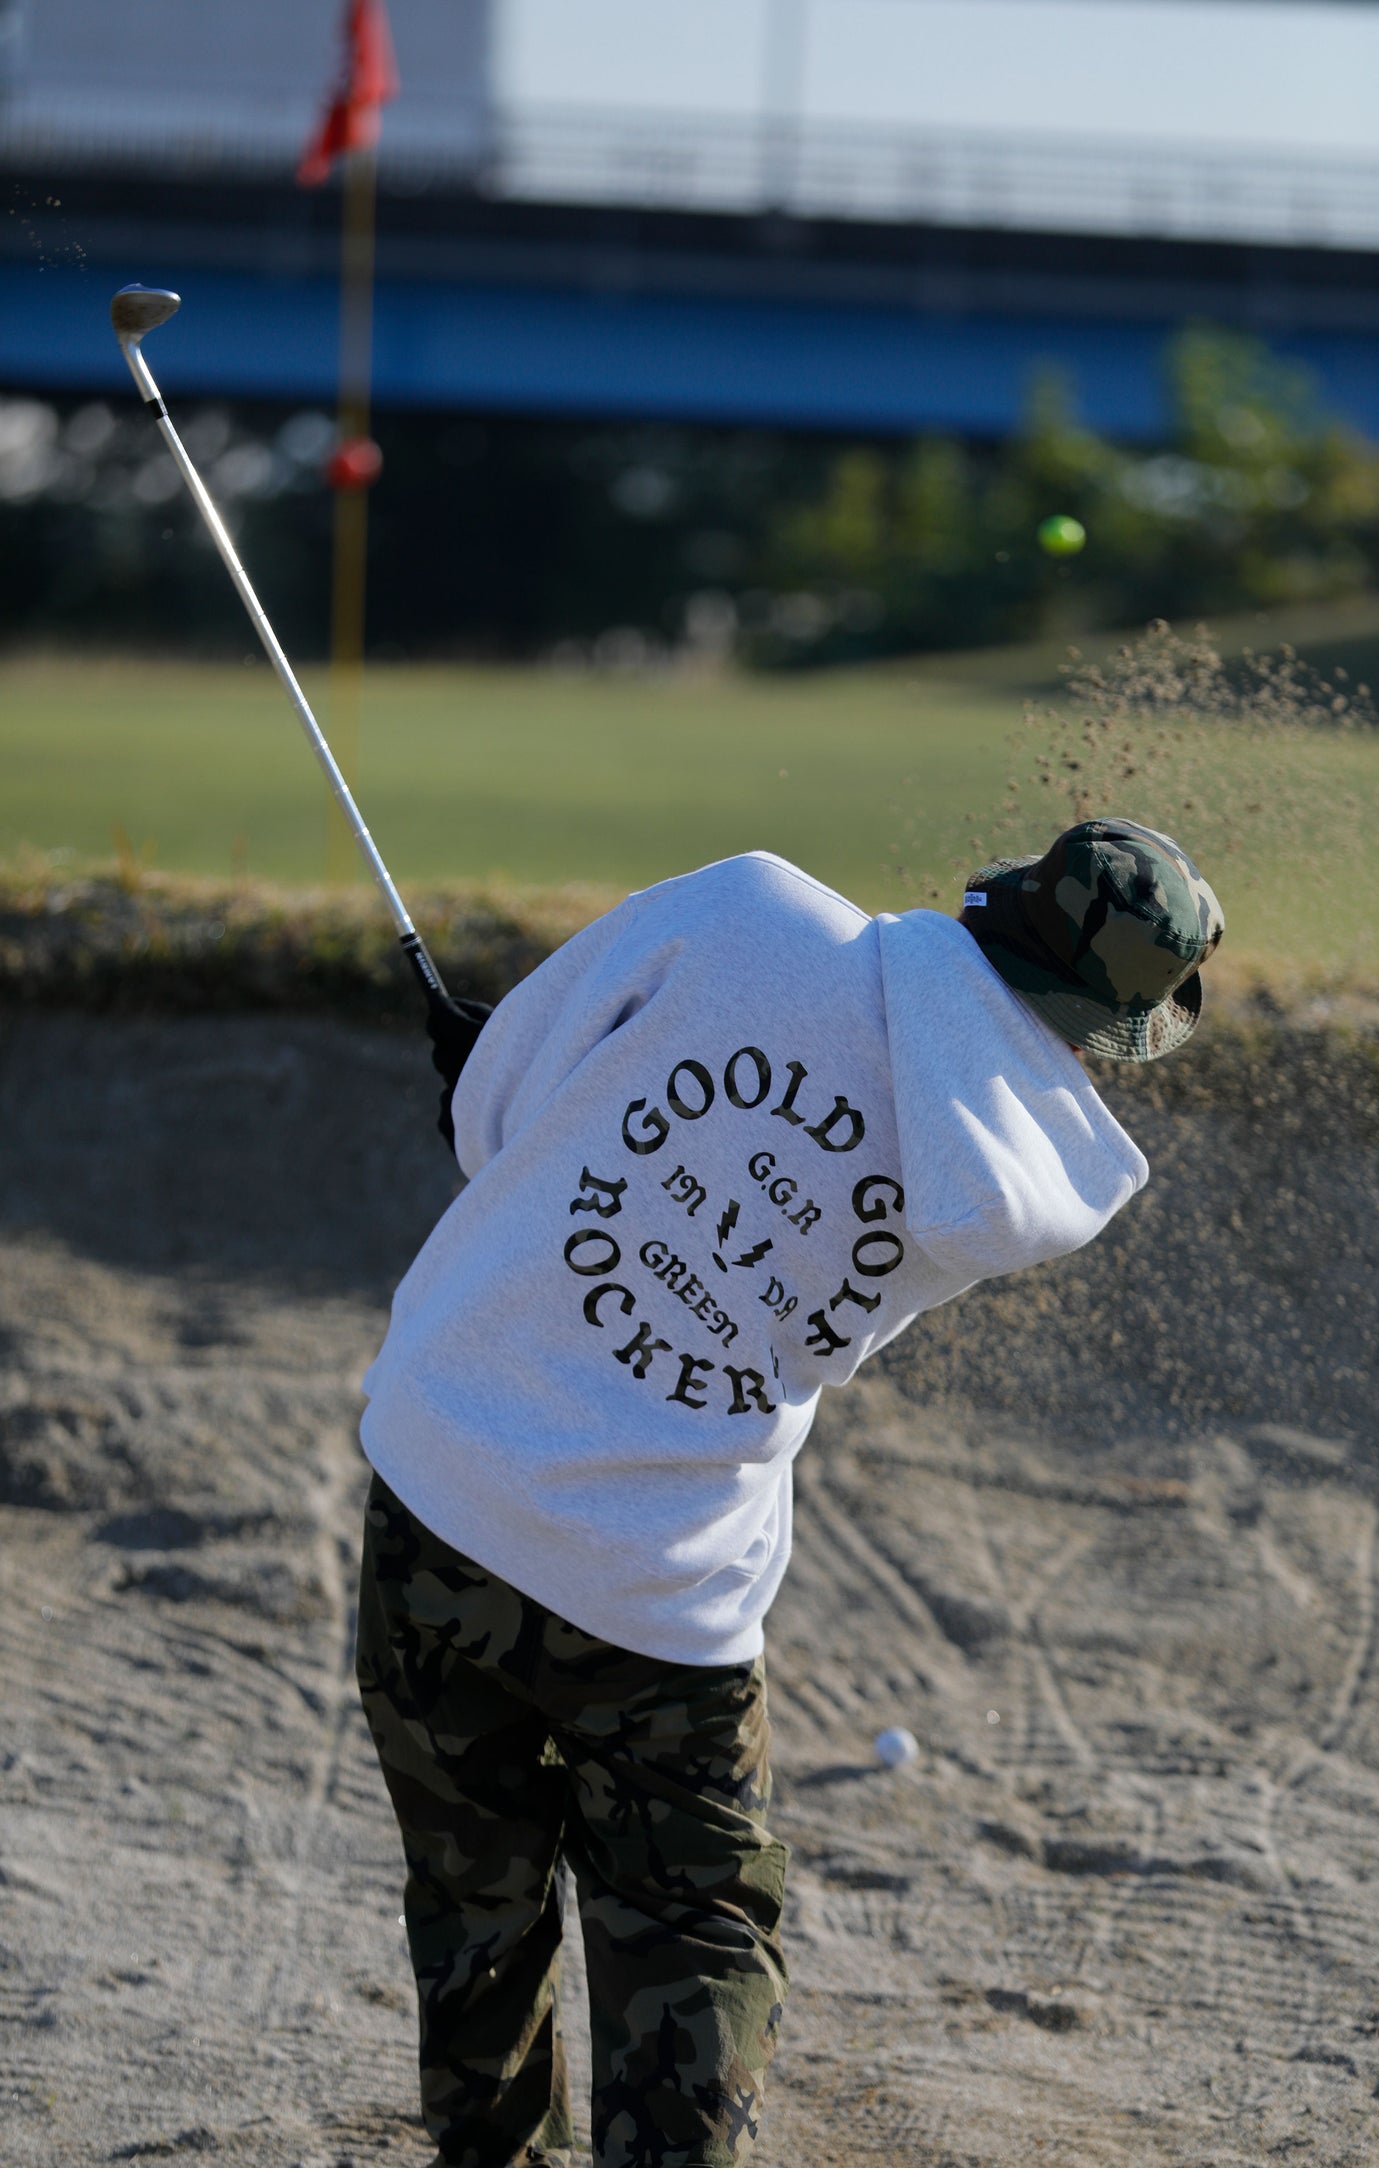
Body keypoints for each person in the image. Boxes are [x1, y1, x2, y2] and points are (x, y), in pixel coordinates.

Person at [355, 816, 1224, 2168]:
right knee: (695, 1926)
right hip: (660, 1588)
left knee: (476, 1898)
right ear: (1097, 1034)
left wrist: (490, 1088)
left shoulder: (752, 909)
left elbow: (496, 1119)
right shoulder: (1011, 1186)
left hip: (444, 1469)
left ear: (999, 902)